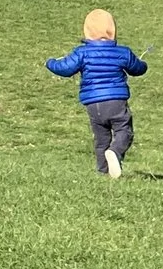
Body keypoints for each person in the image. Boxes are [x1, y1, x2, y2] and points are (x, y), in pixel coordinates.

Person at [46, 9, 147, 178]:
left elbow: (65, 68)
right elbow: (138, 69)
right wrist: (143, 64)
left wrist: (50, 63)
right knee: (124, 131)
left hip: (93, 104)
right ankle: (115, 151)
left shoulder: (82, 53)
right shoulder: (122, 52)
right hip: (116, 101)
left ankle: (103, 172)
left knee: (101, 139)